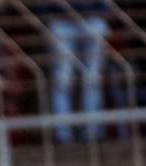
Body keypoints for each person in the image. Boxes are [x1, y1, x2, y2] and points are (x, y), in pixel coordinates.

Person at [36, 0, 111, 143]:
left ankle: (92, 132)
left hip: (92, 19)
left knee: (92, 79)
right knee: (62, 80)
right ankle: (63, 135)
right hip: (60, 21)